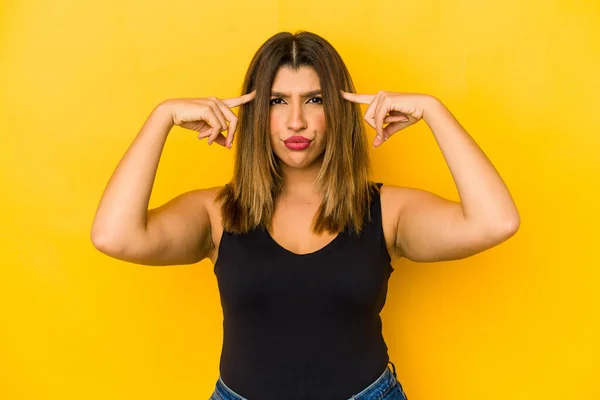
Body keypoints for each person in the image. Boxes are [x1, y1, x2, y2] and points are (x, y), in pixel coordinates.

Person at [91, 31, 520, 400]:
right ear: (258, 113)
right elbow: (114, 236)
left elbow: (495, 221)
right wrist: (161, 117)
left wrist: (433, 110)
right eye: (278, 100)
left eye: (314, 99)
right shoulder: (217, 213)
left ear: (337, 110)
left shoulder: (388, 211)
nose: (296, 121)